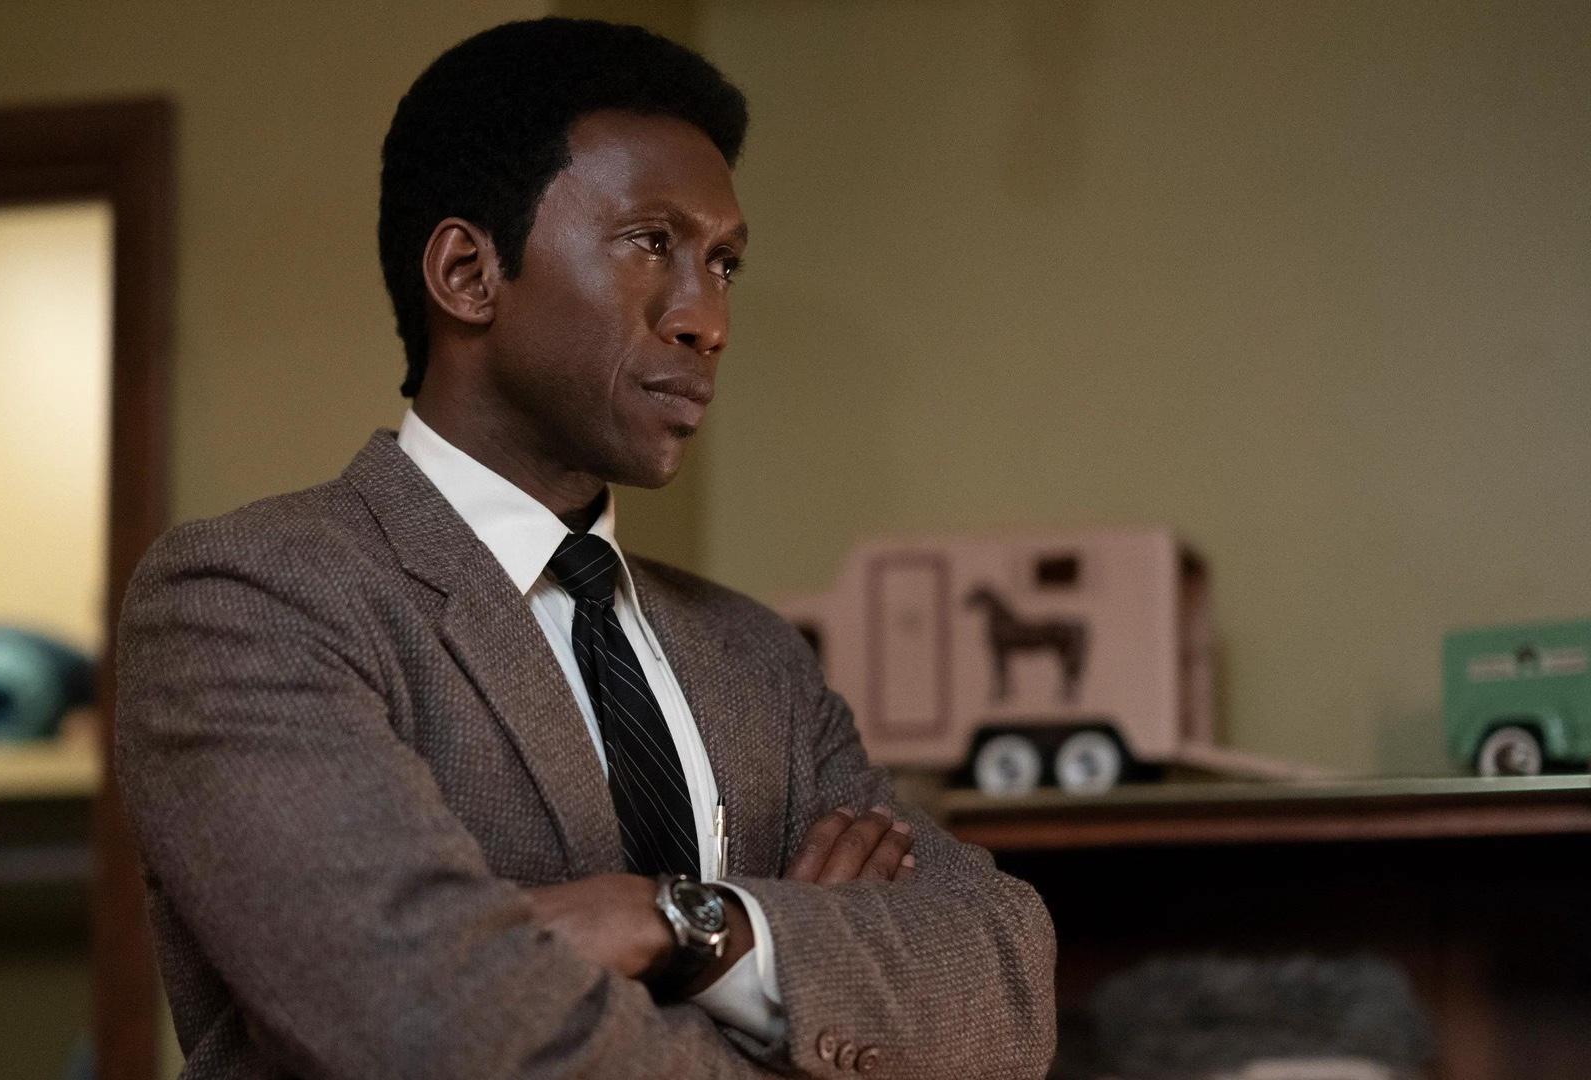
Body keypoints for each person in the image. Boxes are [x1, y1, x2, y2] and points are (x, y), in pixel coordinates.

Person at [115, 17, 1055, 1079]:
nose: (708, 321)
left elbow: (1006, 986)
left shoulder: (759, 660)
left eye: (725, 264)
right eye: (652, 243)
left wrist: (676, 922)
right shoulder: (252, 598)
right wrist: (796, 969)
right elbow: (428, 1024)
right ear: (468, 273)